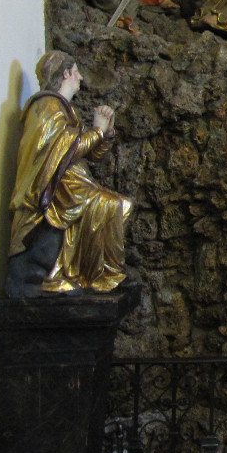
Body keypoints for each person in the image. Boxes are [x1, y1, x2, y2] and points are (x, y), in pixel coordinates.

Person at [7, 50, 133, 296]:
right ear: (65, 74)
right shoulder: (47, 106)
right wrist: (97, 131)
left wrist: (106, 133)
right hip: (57, 190)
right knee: (114, 206)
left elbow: (91, 155)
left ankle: (100, 273)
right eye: (76, 72)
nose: (80, 77)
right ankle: (89, 274)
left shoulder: (65, 109)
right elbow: (66, 150)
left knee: (120, 206)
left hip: (74, 184)